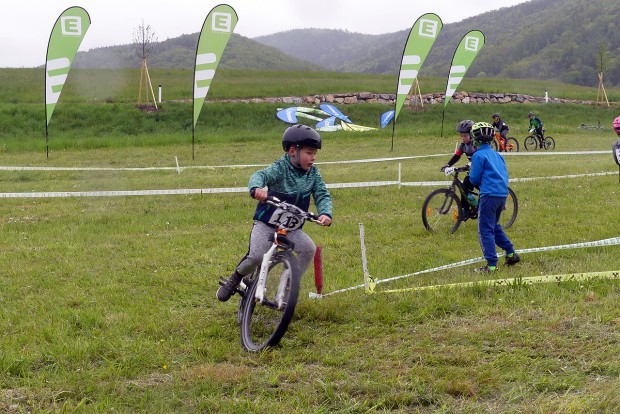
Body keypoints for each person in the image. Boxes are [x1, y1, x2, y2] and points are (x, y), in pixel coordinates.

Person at [217, 124, 333, 302]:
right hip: (266, 224)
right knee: (256, 255)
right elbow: (260, 175)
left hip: (291, 228)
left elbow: (322, 194)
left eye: (315, 154)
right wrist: (257, 189)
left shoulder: (313, 175)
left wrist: (325, 213)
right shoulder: (280, 168)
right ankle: (235, 278)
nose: (313, 158)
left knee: (308, 249)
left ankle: (289, 283)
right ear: (293, 151)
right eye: (309, 153)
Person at [468, 122, 521, 273]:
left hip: (488, 195)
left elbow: (474, 179)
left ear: (475, 139)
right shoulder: (497, 155)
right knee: (494, 224)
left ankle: (491, 265)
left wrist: (471, 179)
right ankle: (511, 253)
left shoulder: (478, 155)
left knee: (485, 229)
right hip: (502, 194)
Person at [440, 120, 478, 210]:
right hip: (473, 171)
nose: (463, 138)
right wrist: (447, 165)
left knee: (483, 190)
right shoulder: (463, 146)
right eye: (461, 136)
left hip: (481, 172)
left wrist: (469, 165)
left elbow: (477, 159)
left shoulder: (476, 145)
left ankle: (483, 206)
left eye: (465, 136)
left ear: (472, 135)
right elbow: (456, 156)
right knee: (464, 188)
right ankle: (465, 210)